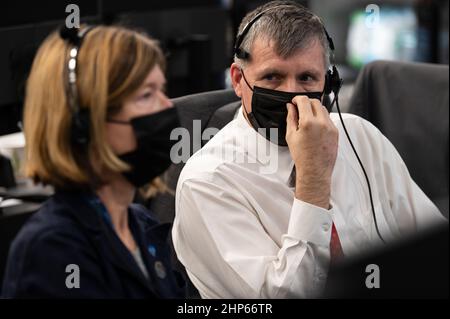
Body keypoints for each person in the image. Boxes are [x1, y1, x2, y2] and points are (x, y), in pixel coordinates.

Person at [172, 1, 446, 298]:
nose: (292, 94)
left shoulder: (358, 135)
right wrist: (313, 179)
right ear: (239, 80)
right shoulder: (207, 181)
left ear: (328, 82)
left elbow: (431, 248)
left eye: (306, 78)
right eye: (272, 77)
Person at [2, 25, 185, 298]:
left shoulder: (142, 224)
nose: (167, 106)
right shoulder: (54, 248)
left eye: (162, 89)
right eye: (147, 95)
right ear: (85, 124)